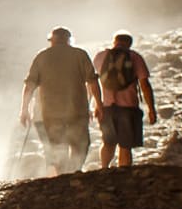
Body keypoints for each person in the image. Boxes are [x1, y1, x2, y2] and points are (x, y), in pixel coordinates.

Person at [18, 25, 96, 174]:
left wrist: (24, 110)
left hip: (50, 112)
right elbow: (92, 82)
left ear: (52, 40)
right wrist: (95, 104)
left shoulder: (42, 56)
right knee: (81, 144)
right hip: (77, 109)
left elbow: (30, 85)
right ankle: (75, 170)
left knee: (57, 145)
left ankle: (62, 175)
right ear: (69, 40)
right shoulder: (80, 54)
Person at [92, 31, 157, 168]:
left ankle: (104, 169)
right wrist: (151, 109)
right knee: (125, 146)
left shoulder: (101, 56)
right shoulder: (134, 57)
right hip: (129, 107)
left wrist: (97, 105)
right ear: (129, 44)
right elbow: (144, 85)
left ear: (114, 42)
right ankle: (123, 174)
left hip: (107, 107)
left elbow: (92, 83)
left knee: (108, 143)